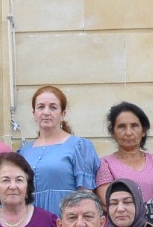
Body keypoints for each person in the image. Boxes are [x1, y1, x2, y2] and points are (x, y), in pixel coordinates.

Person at [19, 85, 100, 214]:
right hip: (31, 222)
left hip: (65, 220)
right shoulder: (23, 152)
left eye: (53, 107)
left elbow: (86, 195)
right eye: (41, 107)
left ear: (63, 114)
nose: (46, 112)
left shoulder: (79, 146)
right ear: (34, 113)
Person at [95, 102, 153, 203]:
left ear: (143, 131)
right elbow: (108, 202)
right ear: (112, 132)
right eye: (121, 126)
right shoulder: (105, 164)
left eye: (134, 126)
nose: (128, 133)